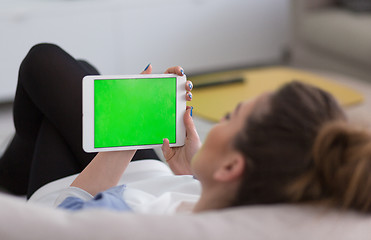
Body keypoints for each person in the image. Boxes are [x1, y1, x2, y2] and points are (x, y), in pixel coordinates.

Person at [1, 44, 370, 214]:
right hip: (157, 174)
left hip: (93, 184)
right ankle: (13, 174)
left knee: (44, 65)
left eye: (230, 118)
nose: (218, 122)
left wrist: (123, 140)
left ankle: (11, 178)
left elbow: (55, 212)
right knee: (75, 70)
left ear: (231, 166)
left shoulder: (134, 221)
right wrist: (193, 169)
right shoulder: (252, 193)